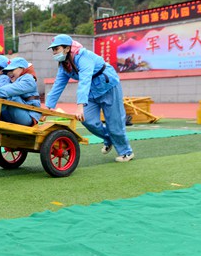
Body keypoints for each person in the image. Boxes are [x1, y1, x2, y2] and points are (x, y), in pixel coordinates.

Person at [45, 34, 134, 162]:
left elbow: (85, 80)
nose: (54, 52)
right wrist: (48, 108)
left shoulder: (83, 56)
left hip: (108, 86)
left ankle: (126, 152)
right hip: (92, 91)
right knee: (87, 120)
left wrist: (80, 105)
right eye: (53, 50)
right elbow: (58, 84)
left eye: (56, 49)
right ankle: (109, 138)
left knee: (114, 122)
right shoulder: (63, 64)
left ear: (67, 48)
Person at [0, 57, 41, 126]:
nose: (9, 73)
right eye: (7, 71)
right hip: (17, 111)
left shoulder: (28, 79)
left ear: (22, 68)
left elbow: (13, 89)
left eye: (12, 70)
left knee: (11, 96)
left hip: (29, 116)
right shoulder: (13, 80)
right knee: (2, 95)